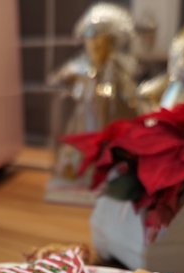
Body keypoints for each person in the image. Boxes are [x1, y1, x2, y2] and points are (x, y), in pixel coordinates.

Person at [49, 3, 137, 180]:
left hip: (109, 129)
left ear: (111, 42)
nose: (95, 43)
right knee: (77, 156)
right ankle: (76, 170)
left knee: (106, 161)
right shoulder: (77, 68)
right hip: (81, 126)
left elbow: (131, 101)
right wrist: (71, 77)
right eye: (91, 38)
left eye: (101, 39)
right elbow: (55, 81)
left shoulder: (119, 70)